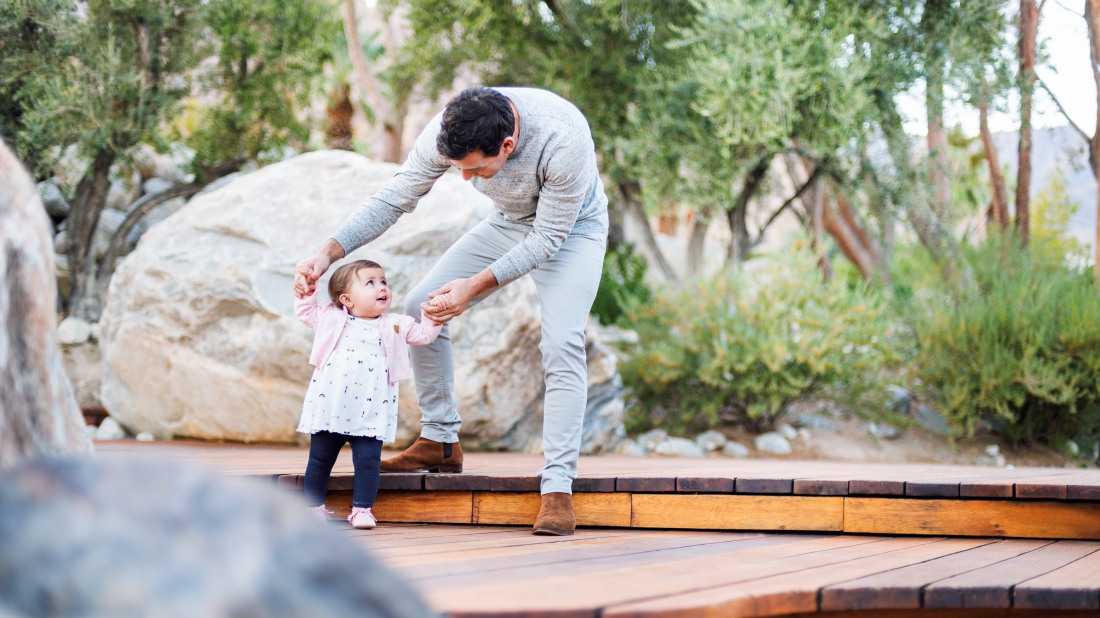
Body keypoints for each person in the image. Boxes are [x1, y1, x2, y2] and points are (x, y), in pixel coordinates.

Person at [293, 86, 608, 536]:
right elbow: (395, 197)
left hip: (573, 231)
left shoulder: (564, 137)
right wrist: (328, 252)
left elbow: (548, 239)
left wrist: (474, 286)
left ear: (507, 145)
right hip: (508, 223)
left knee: (562, 344)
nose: (465, 178)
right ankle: (440, 439)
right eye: (458, 167)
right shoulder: (449, 128)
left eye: (475, 169)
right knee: (421, 305)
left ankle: (558, 485)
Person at [295, 259, 442, 528]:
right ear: (347, 299)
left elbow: (423, 335)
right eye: (370, 283)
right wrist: (307, 291)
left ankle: (362, 509)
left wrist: (433, 316)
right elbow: (305, 311)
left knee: (368, 461)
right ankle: (313, 508)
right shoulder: (330, 317)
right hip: (331, 407)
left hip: (371, 408)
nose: (382, 287)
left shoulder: (395, 324)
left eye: (383, 281)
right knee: (319, 459)